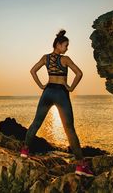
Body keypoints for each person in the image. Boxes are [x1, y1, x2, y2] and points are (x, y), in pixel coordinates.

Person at [19, 29, 94, 177]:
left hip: (47, 92)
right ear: (59, 45)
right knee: (69, 129)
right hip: (61, 93)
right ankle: (81, 165)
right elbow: (79, 73)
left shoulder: (45, 58)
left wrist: (41, 86)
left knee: (36, 122)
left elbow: (33, 71)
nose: (66, 49)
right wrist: (71, 87)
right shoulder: (65, 59)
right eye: (65, 45)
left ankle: (24, 150)